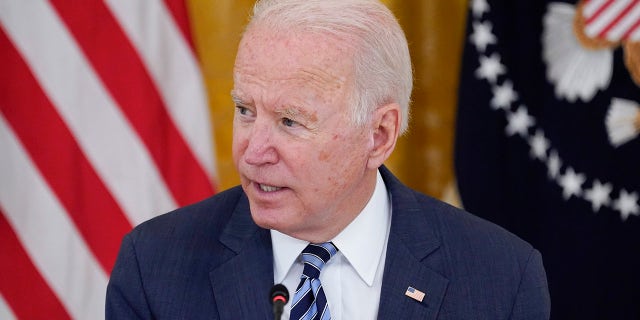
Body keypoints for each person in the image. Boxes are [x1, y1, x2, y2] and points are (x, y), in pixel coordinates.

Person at [106, 0, 551, 319]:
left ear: (379, 135)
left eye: (290, 121)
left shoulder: (501, 278)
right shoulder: (155, 267)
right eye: (246, 111)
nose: (252, 152)